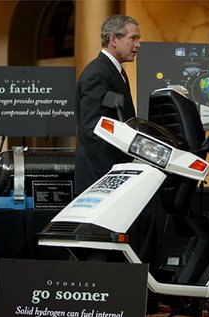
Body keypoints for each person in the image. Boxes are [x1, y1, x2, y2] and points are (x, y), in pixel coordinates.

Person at [74, 14, 140, 195]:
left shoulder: (111, 71)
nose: (138, 44)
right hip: (100, 179)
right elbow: (92, 129)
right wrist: (116, 173)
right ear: (113, 39)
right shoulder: (98, 73)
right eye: (133, 38)